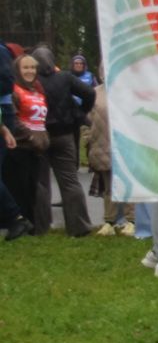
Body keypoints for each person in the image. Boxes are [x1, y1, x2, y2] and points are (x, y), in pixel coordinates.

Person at [37, 48, 95, 237]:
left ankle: (41, 226)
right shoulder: (65, 78)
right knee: (70, 181)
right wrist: (80, 113)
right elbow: (89, 93)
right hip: (64, 134)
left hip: (40, 136)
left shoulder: (33, 82)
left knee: (41, 182)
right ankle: (79, 226)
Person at [6, 53, 49, 234]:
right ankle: (21, 226)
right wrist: (30, 137)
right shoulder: (14, 90)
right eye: (26, 68)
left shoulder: (37, 90)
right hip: (19, 147)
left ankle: (33, 225)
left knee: (33, 189)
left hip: (36, 149)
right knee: (20, 189)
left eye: (33, 67)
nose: (30, 71)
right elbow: (13, 119)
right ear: (17, 70)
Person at [86, 79, 128, 235]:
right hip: (102, 144)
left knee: (127, 184)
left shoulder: (128, 89)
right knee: (108, 185)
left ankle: (131, 220)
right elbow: (89, 117)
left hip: (124, 143)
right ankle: (109, 221)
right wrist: (89, 137)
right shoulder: (95, 92)